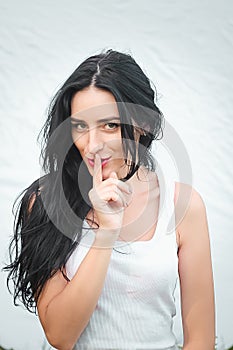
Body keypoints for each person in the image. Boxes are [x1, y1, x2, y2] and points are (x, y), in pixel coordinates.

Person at [4, 49, 215, 350]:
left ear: (145, 126)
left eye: (110, 125)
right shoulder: (45, 202)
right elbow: (60, 336)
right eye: (80, 126)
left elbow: (201, 340)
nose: (92, 146)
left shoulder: (184, 205)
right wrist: (106, 230)